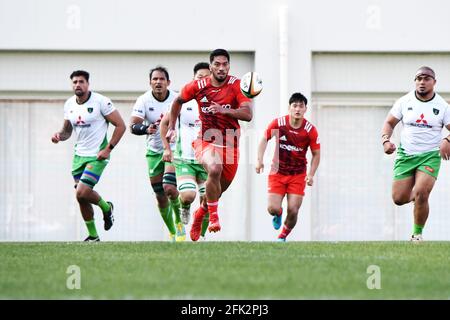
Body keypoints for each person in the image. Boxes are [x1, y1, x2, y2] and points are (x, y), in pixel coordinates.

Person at [166, 49, 253, 241]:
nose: (221, 68)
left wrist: (225, 110)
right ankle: (214, 218)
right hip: (206, 140)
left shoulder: (237, 85)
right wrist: (172, 127)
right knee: (214, 168)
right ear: (211, 66)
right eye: (217, 64)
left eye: (225, 64)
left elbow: (248, 114)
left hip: (230, 143)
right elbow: (177, 101)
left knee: (215, 194)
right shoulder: (199, 85)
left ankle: (200, 214)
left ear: (229, 66)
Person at [51, 70, 126, 242]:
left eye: (81, 82)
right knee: (81, 197)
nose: (78, 85)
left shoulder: (101, 102)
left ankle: (107, 208)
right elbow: (67, 131)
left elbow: (121, 126)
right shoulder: (69, 104)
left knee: (82, 191)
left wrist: (108, 149)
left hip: (97, 156)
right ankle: (93, 236)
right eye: (75, 82)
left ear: (88, 84)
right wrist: (58, 136)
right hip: (79, 157)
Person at [381, 66, 450, 242]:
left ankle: (417, 235)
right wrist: (385, 140)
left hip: (430, 155)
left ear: (434, 82)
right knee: (398, 198)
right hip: (406, 155)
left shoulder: (442, 106)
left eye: (427, 79)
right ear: (415, 81)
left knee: (421, 191)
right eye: (419, 78)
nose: (422, 82)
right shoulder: (404, 101)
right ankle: (418, 198)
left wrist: (447, 140)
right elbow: (389, 123)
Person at [130, 66, 185, 242]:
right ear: (150, 82)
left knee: (170, 188)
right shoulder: (143, 100)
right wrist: (146, 128)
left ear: (168, 82)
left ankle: (180, 224)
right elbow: (133, 125)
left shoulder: (178, 99)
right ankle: (172, 232)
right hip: (154, 152)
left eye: (162, 79)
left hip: (174, 149)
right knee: (160, 195)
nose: (158, 82)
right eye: (155, 79)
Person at [255, 92, 320, 242]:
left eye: (301, 106)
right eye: (294, 105)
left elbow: (316, 154)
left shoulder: (310, 130)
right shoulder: (279, 123)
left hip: (297, 174)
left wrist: (311, 174)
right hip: (278, 172)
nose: (297, 109)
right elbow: (264, 139)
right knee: (273, 209)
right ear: (289, 108)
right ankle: (278, 214)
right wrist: (259, 160)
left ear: (305, 109)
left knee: (293, 210)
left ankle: (282, 236)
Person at [160, 62, 211, 240]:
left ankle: (202, 236)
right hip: (184, 159)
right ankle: (185, 206)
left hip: (207, 160)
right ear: (193, 79)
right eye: (200, 77)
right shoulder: (184, 100)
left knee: (208, 201)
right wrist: (167, 148)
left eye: (207, 77)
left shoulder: (216, 103)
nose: (203, 81)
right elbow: (164, 123)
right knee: (189, 195)